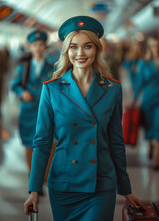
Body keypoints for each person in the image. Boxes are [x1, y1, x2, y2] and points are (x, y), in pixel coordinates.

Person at [24, 16, 145, 220]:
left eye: (87, 46)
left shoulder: (112, 89)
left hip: (101, 184)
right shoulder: (52, 89)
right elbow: (42, 141)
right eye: (73, 47)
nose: (80, 53)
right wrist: (34, 189)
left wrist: (125, 188)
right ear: (66, 51)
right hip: (64, 184)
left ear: (97, 49)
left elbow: (115, 141)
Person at [11, 30, 55, 175]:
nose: (37, 48)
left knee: (49, 144)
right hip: (28, 112)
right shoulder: (23, 68)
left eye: (41, 44)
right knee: (30, 144)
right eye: (34, 44)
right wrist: (22, 92)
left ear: (45, 47)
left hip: (47, 112)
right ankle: (34, 177)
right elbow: (15, 85)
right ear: (29, 47)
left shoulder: (52, 67)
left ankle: (45, 176)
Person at [134, 37, 159, 170]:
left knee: (158, 126)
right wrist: (134, 99)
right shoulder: (143, 63)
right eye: (154, 46)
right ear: (150, 47)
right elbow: (139, 82)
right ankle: (150, 144)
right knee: (149, 125)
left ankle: (156, 158)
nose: (156, 48)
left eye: (158, 46)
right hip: (148, 98)